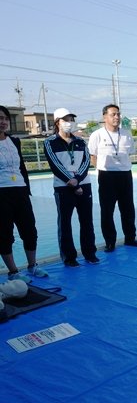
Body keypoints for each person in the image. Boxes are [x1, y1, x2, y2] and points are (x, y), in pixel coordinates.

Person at [44, 108, 99, 267]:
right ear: (57, 123)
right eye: (65, 120)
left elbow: (85, 163)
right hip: (63, 187)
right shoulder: (50, 142)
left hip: (84, 185)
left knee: (87, 221)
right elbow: (55, 165)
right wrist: (72, 182)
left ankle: (90, 253)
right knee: (65, 223)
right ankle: (69, 258)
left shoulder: (80, 141)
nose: (69, 123)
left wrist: (77, 180)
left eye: (71, 119)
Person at [0, 105, 49, 282]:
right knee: (5, 234)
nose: (3, 122)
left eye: (5, 118)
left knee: (29, 230)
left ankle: (32, 266)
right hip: (1, 194)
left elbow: (21, 167)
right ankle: (13, 272)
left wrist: (26, 189)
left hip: (20, 191)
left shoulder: (14, 141)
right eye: (0, 118)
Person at [88, 104, 137, 253]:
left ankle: (130, 238)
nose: (117, 117)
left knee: (128, 209)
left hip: (125, 174)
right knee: (107, 211)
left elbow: (129, 153)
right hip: (106, 176)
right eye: (113, 114)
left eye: (118, 114)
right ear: (104, 117)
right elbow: (93, 156)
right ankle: (110, 242)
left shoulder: (126, 134)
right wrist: (100, 169)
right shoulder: (97, 135)